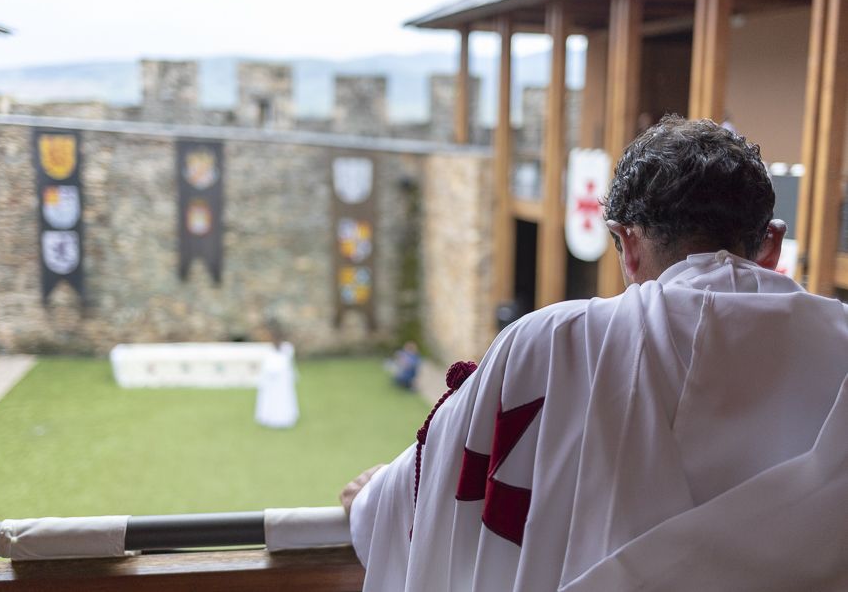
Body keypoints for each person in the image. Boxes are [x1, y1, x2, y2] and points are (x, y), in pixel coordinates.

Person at [341, 116, 848, 591]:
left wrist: (370, 498)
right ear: (772, 244)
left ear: (627, 242)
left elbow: (444, 469)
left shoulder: (552, 341)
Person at [254, 320, 299, 428]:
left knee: (282, 399)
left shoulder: (287, 350)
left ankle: (282, 418)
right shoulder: (269, 353)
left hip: (282, 383)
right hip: (273, 383)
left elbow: (286, 366)